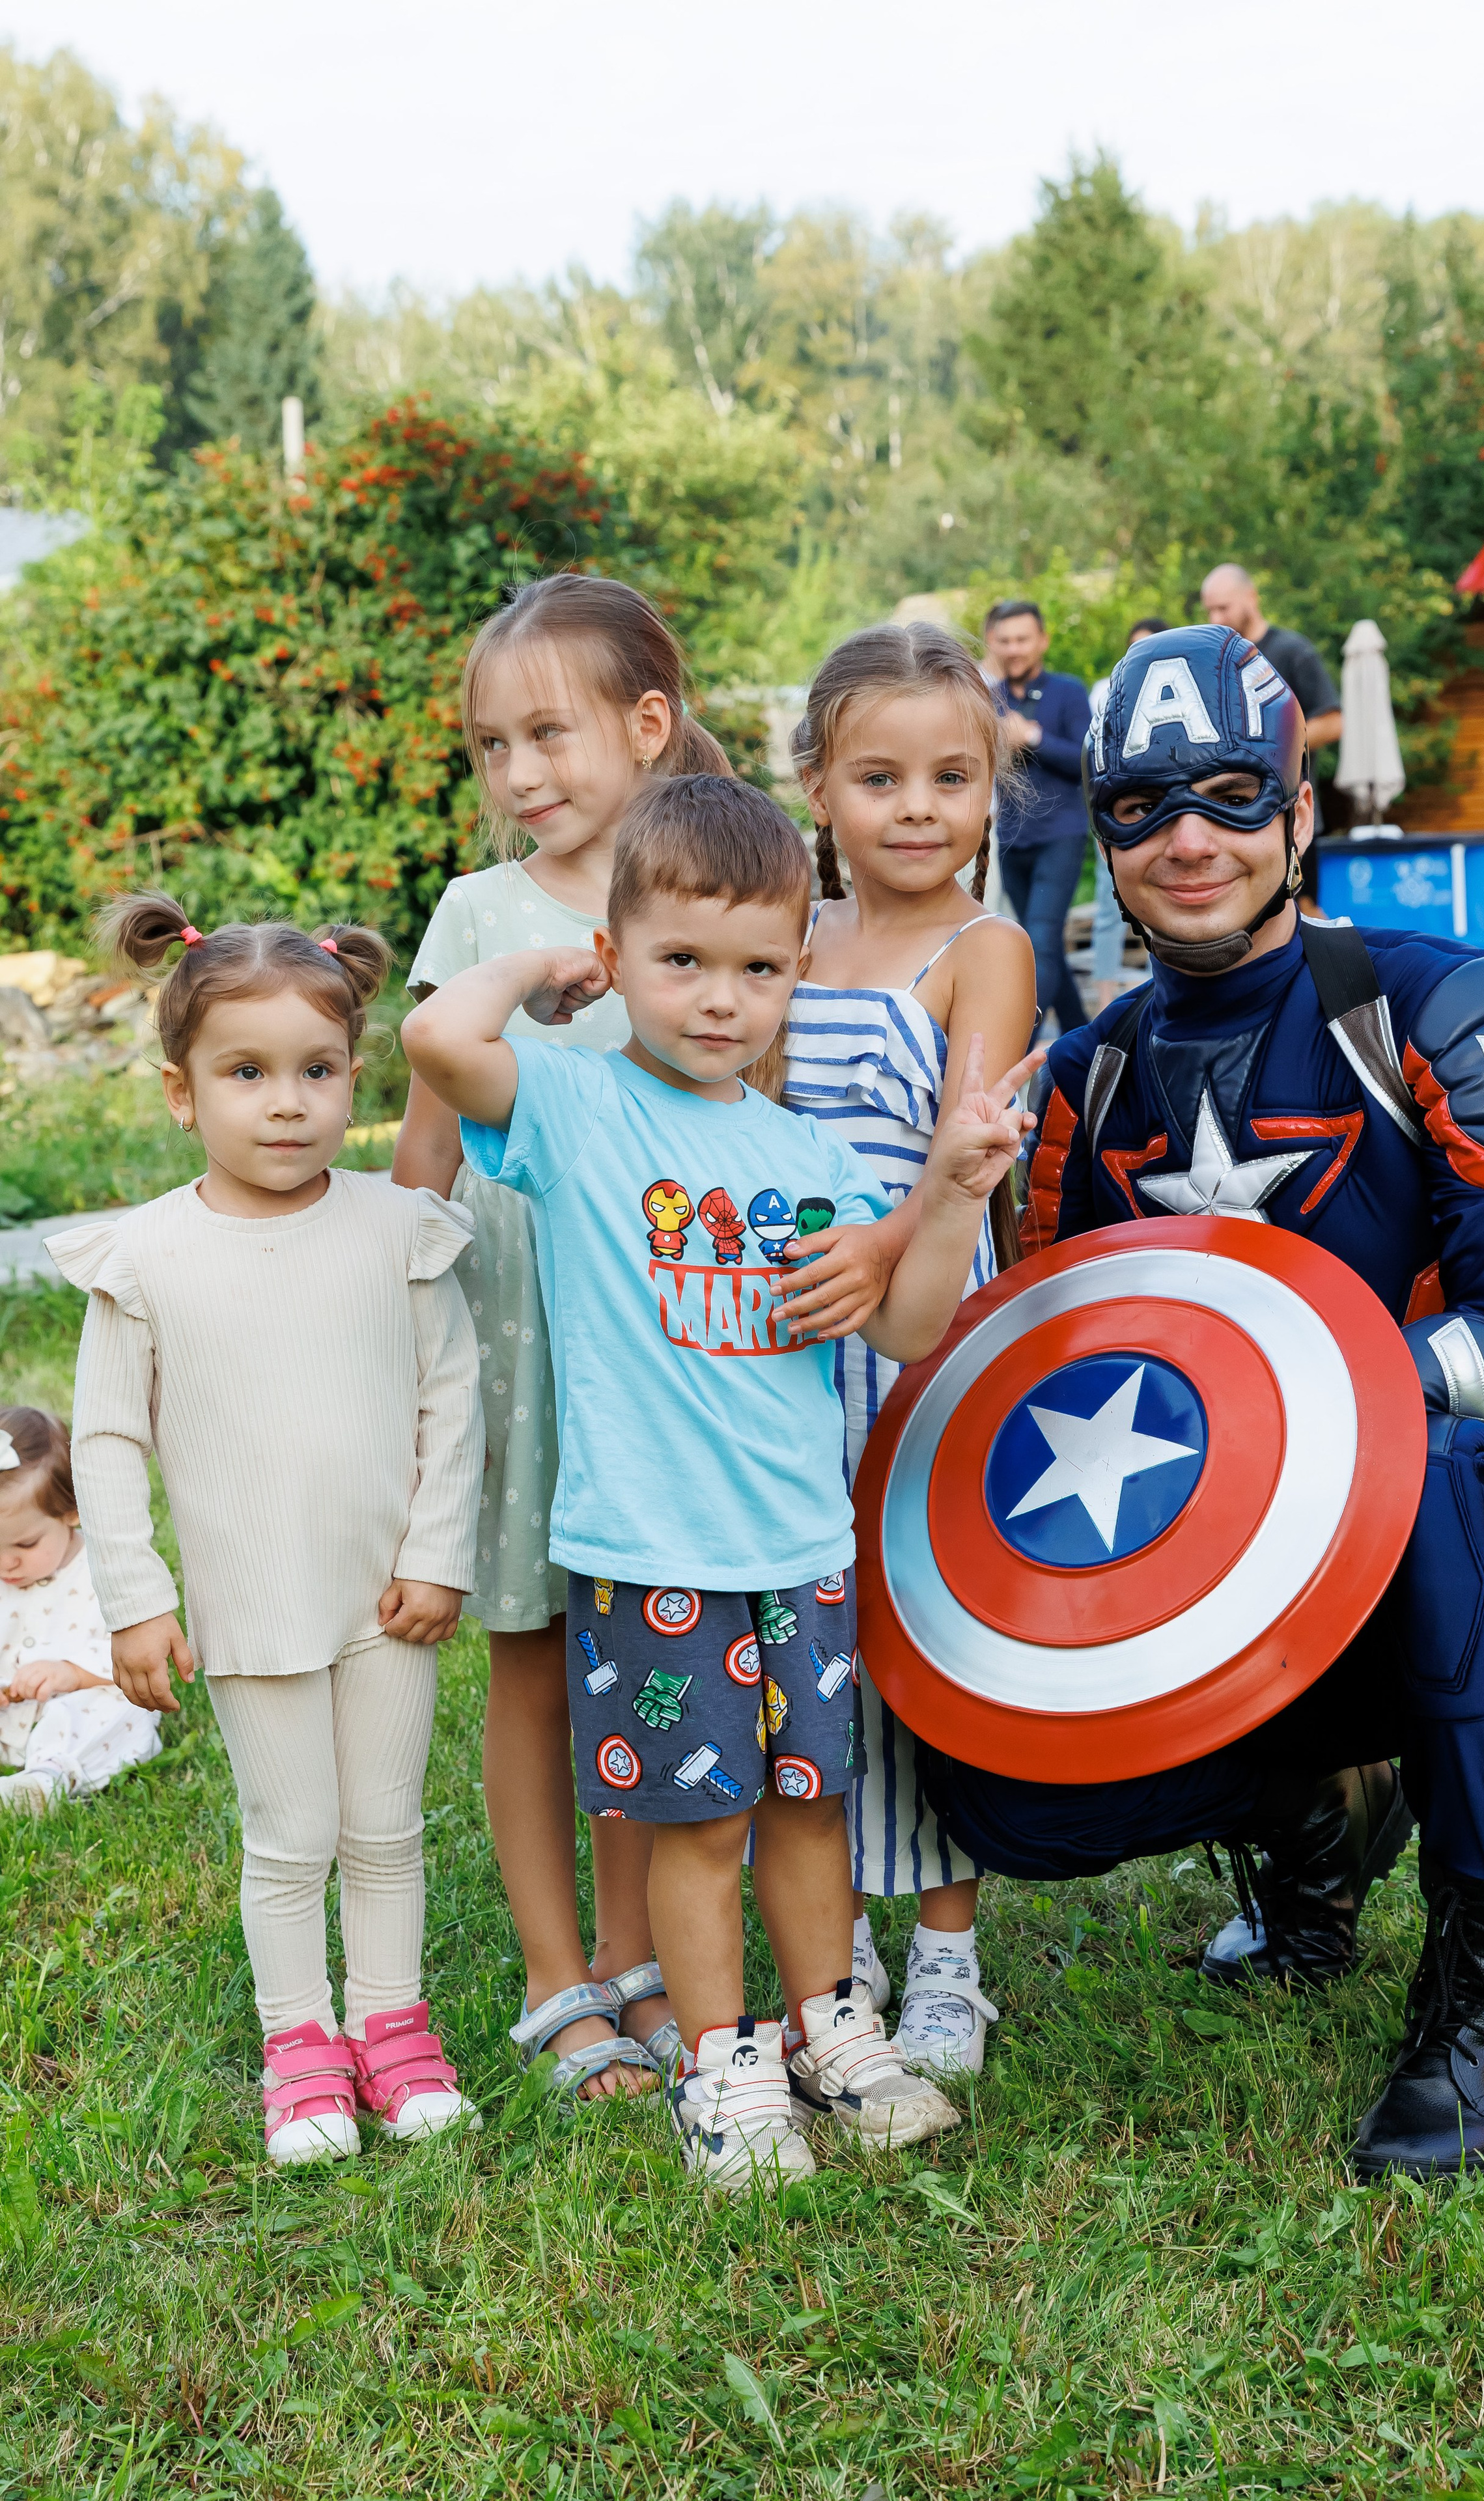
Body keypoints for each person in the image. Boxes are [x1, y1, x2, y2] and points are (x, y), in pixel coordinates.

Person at [936, 622, 1484, 2181]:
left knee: (1435, 1466)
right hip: (1236, 1603)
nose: (1187, 838)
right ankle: (1322, 1810)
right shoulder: (1081, 1086)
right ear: (1101, 835)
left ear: (1297, 809)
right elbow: (1053, 1387)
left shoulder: (1443, 1002)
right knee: (997, 1783)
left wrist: (1290, 1417)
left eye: (1229, 793)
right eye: (1140, 806)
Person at [402, 772, 1042, 2187]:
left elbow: (907, 1325)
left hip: (800, 1544)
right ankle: (720, 2065)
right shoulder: (576, 1108)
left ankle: (828, 2031)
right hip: (656, 1551)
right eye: (680, 961)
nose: (718, 1000)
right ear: (615, 954)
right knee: (698, 1821)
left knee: (809, 1803)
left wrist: (945, 1192)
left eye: (758, 970)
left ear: (798, 970)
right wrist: (546, 968)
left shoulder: (806, 1153)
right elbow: (437, 1036)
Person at [51, 895, 486, 2168]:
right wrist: (137, 1600)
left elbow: (451, 1395)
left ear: (355, 1077)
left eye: (317, 1071)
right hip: (253, 1599)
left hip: (389, 1598)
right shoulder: (146, 1257)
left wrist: (437, 1554)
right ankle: (300, 2044)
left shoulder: (396, 1228)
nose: (287, 1104)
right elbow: (108, 1441)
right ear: (182, 1094)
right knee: (290, 1836)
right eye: (246, 1073)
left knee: (385, 1828)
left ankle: (393, 2029)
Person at [393, 574, 731, 2107]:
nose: (516, 771)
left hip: (657, 1336)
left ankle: (635, 1953)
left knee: (641, 1648)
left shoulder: (706, 894)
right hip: (524, 1334)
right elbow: (425, 1150)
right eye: (489, 745)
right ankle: (554, 1975)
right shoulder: (481, 915)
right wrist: (411, 1343)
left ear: (646, 723)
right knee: (535, 1652)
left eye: (546, 733)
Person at [785, 621, 1037, 2075]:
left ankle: (946, 1951)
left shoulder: (983, 949)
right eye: (879, 778)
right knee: (809, 1631)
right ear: (817, 786)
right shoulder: (793, 934)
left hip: (919, 1331)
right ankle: (841, 1939)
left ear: (992, 790)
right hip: (787, 1342)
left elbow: (963, 1150)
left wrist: (878, 1250)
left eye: (953, 777)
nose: (918, 807)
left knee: (915, 1626)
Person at [0, 1405, 161, 1812]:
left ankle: (45, 1782)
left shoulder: (103, 1571)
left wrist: (70, 1673)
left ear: (73, 1511)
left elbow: (135, 1658)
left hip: (76, 1713)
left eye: (25, 1544)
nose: (6, 1563)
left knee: (126, 1710)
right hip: (9, 1719)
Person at [983, 600, 1092, 1035]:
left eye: (1023, 639)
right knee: (1045, 946)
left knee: (1038, 942)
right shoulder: (988, 699)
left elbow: (1088, 760)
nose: (1014, 649)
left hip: (1060, 834)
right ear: (993, 643)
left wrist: (1032, 737)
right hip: (1011, 838)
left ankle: (1014, 1050)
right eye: (1005, 640)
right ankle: (1085, 1035)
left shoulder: (1068, 691)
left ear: (1043, 641)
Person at [1201, 567, 1342, 830]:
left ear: (1251, 597)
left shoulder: (1292, 651)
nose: (1215, 618)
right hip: (1232, 818)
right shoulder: (1214, 662)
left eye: (1223, 608)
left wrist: (1268, 749)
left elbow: (1333, 722)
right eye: (1210, 610)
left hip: (1293, 818)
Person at [1089, 618, 1169, 1013]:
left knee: (1165, 906)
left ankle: (1166, 991)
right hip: (1122, 814)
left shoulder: (1185, 694)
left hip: (1169, 813)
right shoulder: (1106, 693)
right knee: (1109, 909)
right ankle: (1106, 1002)